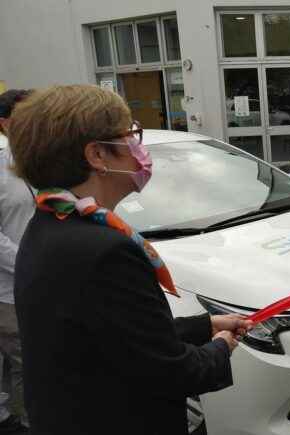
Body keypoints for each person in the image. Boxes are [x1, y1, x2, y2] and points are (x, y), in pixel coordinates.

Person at [8, 84, 253, 435]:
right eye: (130, 135)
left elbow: (116, 334)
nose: (139, 147)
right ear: (97, 156)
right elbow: (170, 371)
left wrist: (204, 326)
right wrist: (219, 349)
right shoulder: (102, 249)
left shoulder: (53, 222)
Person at [0, 89, 33, 435]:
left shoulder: (45, 164)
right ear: (5, 123)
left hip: (46, 281)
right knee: (28, 362)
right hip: (10, 290)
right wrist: (28, 263)